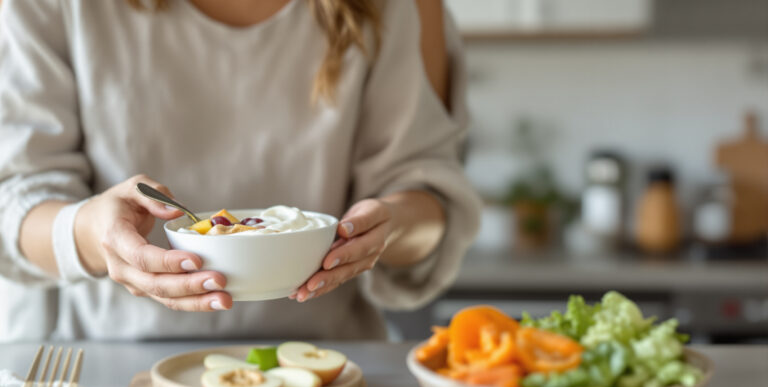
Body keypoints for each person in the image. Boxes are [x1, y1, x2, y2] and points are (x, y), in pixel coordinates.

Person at [0, 0, 481, 341]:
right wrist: (92, 232)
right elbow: (16, 201)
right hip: (107, 359)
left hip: (325, 360)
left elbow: (425, 189)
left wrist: (387, 226)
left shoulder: (394, 7)